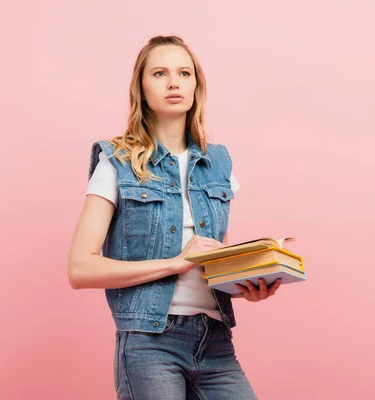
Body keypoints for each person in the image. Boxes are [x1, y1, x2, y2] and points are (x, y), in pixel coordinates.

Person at [67, 35, 282, 400]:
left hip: (215, 340)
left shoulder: (219, 163)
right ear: (141, 87)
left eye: (184, 73)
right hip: (150, 343)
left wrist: (246, 282)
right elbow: (80, 269)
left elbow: (212, 260)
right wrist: (174, 263)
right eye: (160, 73)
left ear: (197, 86)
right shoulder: (116, 161)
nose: (173, 82)